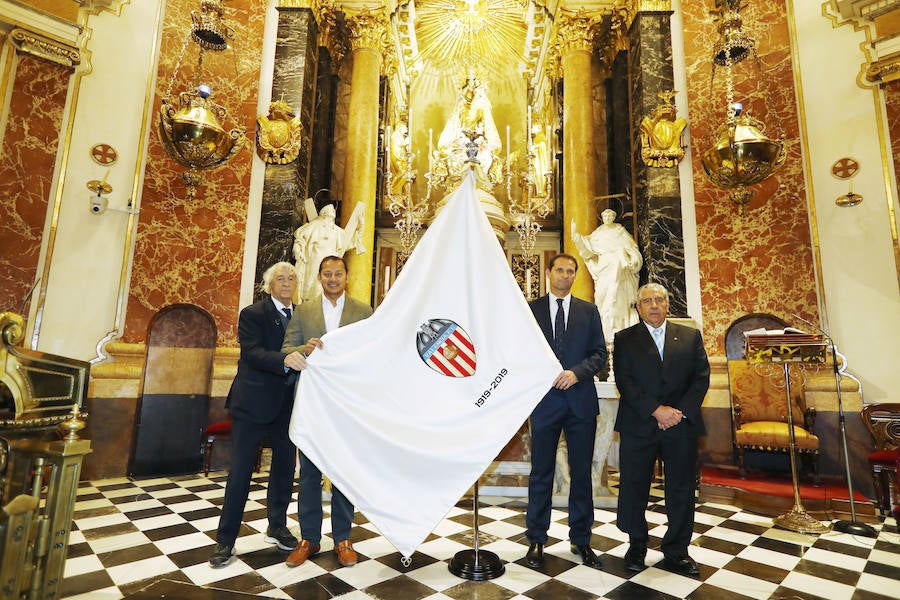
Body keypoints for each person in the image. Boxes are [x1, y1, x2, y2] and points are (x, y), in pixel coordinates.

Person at [209, 262, 309, 568]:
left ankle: (277, 526)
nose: (287, 282)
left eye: (291, 278)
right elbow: (251, 353)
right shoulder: (253, 314)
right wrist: (285, 359)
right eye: (280, 278)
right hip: (252, 404)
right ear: (269, 284)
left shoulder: (302, 315)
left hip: (287, 406)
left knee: (282, 469)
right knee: (240, 472)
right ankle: (225, 540)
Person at [281, 255, 373, 568]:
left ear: (346, 277)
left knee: (343, 473)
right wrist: (302, 349)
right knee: (308, 473)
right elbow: (285, 348)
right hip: (312, 406)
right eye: (327, 274)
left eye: (338, 273)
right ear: (320, 278)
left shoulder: (363, 311)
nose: (332, 278)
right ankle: (309, 538)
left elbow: (373, 354)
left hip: (347, 407)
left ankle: (344, 538)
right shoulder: (304, 310)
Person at [612, 283, 710, 576]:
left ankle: (677, 551)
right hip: (639, 424)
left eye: (659, 300)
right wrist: (656, 410)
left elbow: (701, 379)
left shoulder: (690, 336)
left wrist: (677, 413)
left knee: (680, 488)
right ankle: (636, 545)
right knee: (633, 487)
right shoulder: (625, 339)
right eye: (647, 301)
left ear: (668, 305)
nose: (654, 305)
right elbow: (625, 381)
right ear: (639, 308)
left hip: (680, 426)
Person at [524, 253, 607, 570]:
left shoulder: (589, 311)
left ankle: (582, 541)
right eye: (560, 270)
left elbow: (599, 353)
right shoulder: (531, 311)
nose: (565, 275)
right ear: (549, 273)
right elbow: (521, 352)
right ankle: (536, 540)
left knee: (582, 474)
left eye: (571, 271)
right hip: (544, 403)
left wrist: (577, 372)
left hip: (580, 402)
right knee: (541, 473)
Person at [572, 209, 643, 344]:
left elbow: (633, 250)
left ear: (614, 217)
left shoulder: (620, 232)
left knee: (617, 301)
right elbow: (587, 251)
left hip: (621, 272)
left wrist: (632, 259)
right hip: (604, 270)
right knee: (603, 300)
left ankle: (620, 331)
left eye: (611, 215)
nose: (608, 217)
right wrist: (576, 237)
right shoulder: (598, 234)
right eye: (605, 215)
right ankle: (605, 332)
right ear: (602, 218)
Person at [292, 204, 365, 303]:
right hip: (315, 259)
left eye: (333, 212)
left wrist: (362, 224)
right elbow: (300, 237)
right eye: (330, 211)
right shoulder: (315, 225)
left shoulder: (336, 231)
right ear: (324, 213)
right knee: (312, 283)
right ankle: (309, 305)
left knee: (327, 284)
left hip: (330, 263)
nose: (332, 212)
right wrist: (297, 249)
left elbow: (352, 240)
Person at [436, 71, 502, 181]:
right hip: (463, 138)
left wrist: (480, 139)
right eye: (469, 81)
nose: (471, 83)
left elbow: (484, 123)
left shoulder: (480, 108)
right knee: (456, 158)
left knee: (485, 157)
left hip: (478, 139)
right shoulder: (462, 105)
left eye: (473, 80)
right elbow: (457, 120)